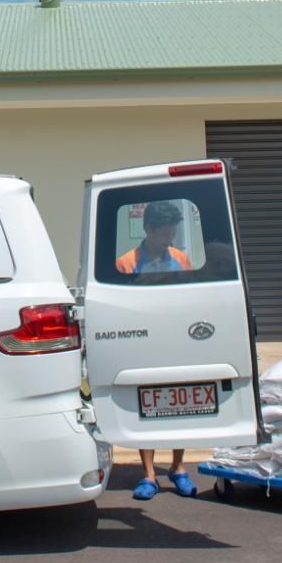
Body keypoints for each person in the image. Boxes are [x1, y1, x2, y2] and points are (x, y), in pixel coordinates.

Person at [116, 200, 198, 500]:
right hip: (145, 344)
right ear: (148, 230)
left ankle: (177, 468)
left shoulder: (181, 258)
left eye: (172, 233)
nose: (169, 240)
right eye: (164, 234)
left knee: (182, 406)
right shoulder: (126, 263)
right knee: (146, 408)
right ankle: (149, 474)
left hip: (177, 342)